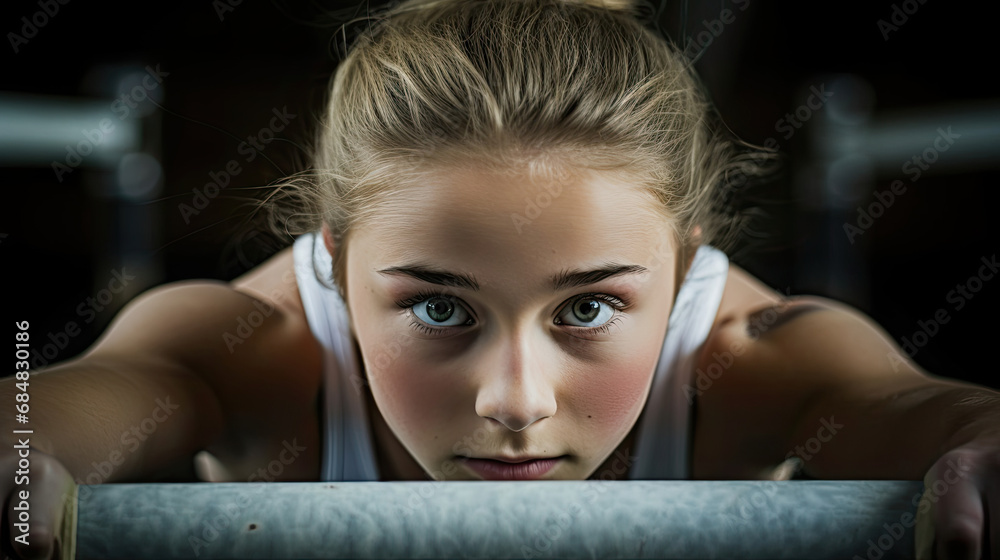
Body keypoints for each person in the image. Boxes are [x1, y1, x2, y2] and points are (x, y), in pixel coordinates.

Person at [3, 0, 998, 558]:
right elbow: (67, 408)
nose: (512, 399)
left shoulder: (743, 362)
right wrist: (21, 444)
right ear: (334, 262)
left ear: (690, 265)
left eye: (589, 305)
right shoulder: (262, 349)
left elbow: (912, 404)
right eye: (438, 305)